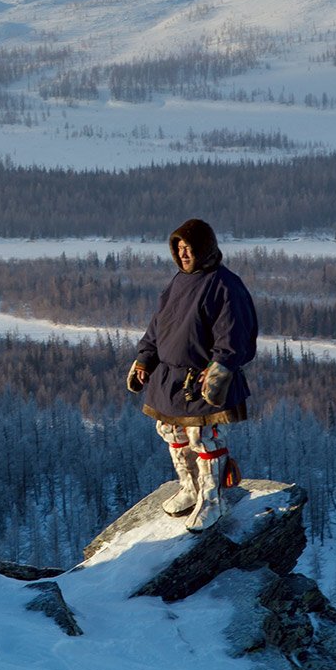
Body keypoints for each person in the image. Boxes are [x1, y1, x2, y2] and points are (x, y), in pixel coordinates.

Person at [127, 218, 258, 532]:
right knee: (172, 432)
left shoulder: (225, 285)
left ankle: (212, 501)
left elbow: (234, 334)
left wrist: (220, 369)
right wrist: (145, 359)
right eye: (179, 248)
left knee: (205, 437)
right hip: (169, 378)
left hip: (201, 380)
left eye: (189, 248)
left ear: (204, 248)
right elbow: (158, 326)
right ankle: (190, 488)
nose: (183, 254)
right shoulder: (177, 282)